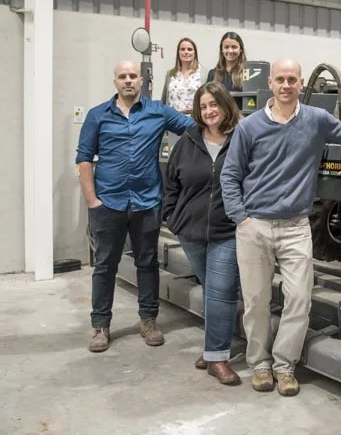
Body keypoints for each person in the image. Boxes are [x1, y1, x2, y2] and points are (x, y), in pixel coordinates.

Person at [220, 58, 341, 396]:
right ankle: (260, 363)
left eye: (292, 80)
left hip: (296, 226)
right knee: (256, 301)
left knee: (299, 299)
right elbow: (230, 175)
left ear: (301, 84)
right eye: (280, 80)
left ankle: (284, 366)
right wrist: (241, 217)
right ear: (270, 84)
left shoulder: (315, 119)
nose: (286, 85)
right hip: (254, 225)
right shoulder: (249, 126)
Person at [76, 60, 195, 353]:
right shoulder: (97, 115)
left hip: (147, 202)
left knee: (147, 263)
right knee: (105, 265)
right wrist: (92, 201)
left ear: (141, 80)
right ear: (115, 82)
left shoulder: (157, 111)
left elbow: (194, 128)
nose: (128, 80)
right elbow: (84, 159)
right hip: (108, 203)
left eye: (132, 76)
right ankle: (100, 325)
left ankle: (148, 321)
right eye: (123, 76)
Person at [162, 82, 243, 386]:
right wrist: (172, 217)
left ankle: (217, 358)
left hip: (228, 229)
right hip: (190, 231)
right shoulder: (187, 140)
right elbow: (171, 183)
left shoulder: (241, 139)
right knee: (212, 290)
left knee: (222, 290)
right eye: (203, 106)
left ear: (225, 106)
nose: (209, 111)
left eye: (214, 104)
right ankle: (213, 348)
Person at [161, 37, 204, 114]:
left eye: (189, 49)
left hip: (195, 119)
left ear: (195, 53)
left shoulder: (204, 73)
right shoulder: (170, 74)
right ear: (178, 53)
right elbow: (163, 101)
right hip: (173, 119)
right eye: (183, 49)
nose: (186, 52)